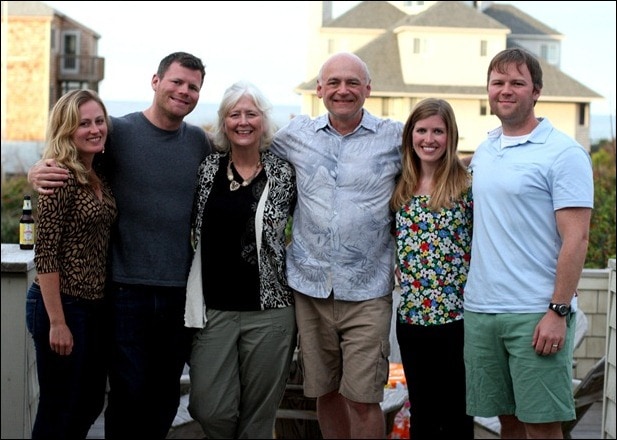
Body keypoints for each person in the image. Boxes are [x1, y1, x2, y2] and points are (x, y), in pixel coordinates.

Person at [27, 52, 213, 438]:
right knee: (125, 394)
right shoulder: (118, 131)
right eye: (176, 82)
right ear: (155, 81)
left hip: (178, 294)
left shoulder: (199, 142)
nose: (184, 91)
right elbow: (72, 144)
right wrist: (38, 170)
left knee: (163, 398)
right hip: (124, 292)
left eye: (193, 87)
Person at [270, 52, 403, 439]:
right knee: (324, 391)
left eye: (352, 82)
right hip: (310, 289)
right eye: (334, 82)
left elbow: (438, 167)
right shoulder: (295, 135)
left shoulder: (395, 137)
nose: (342, 90)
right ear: (319, 90)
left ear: (368, 89)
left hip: (368, 291)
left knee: (363, 398)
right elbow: (249, 152)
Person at [463, 48, 594, 439]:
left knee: (542, 425)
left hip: (536, 312)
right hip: (482, 310)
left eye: (517, 83)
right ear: (488, 89)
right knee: (508, 420)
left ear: (536, 91)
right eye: (498, 82)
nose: (506, 90)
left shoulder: (564, 153)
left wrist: (558, 309)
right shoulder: (485, 151)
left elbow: (577, 238)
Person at [184, 80, 297, 438]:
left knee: (258, 417)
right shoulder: (207, 169)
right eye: (235, 114)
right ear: (224, 121)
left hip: (271, 311)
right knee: (209, 407)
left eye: (252, 114)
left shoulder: (284, 173)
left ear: (264, 121)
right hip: (213, 309)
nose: (243, 121)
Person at [25, 89, 118, 439]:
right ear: (66, 130)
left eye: (99, 121)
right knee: (58, 408)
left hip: (93, 307)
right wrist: (58, 322)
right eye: (83, 124)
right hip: (61, 305)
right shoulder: (59, 177)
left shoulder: (97, 173)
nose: (95, 129)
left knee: (89, 402)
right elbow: (45, 253)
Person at [389, 98, 474, 439]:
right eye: (421, 130)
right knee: (422, 412)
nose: (429, 139)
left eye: (438, 131)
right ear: (410, 135)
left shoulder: (467, 186)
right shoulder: (400, 186)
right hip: (412, 318)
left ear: (450, 135)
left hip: (457, 319)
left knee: (456, 413)